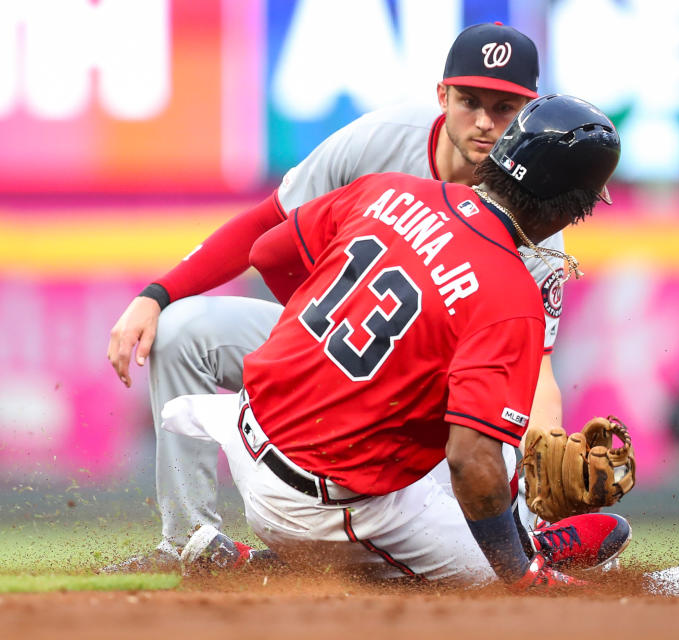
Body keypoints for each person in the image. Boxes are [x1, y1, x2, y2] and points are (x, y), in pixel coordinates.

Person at [104, 23, 570, 572]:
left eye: (506, 105)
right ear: (442, 95)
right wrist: (158, 294)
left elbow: (530, 367)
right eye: (470, 101)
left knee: (496, 445)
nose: (486, 121)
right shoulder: (385, 137)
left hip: (424, 394)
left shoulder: (534, 220)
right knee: (182, 331)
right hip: (331, 338)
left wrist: (548, 442)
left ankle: (530, 544)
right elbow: (267, 224)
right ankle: (188, 544)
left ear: (530, 108)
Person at [164, 93, 623, 588]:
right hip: (315, 507)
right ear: (573, 209)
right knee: (486, 575)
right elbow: (470, 461)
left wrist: (326, 347)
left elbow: (269, 251)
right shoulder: (512, 296)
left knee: (492, 454)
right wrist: (517, 575)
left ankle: (248, 554)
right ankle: (264, 566)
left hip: (245, 427)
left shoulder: (391, 190)